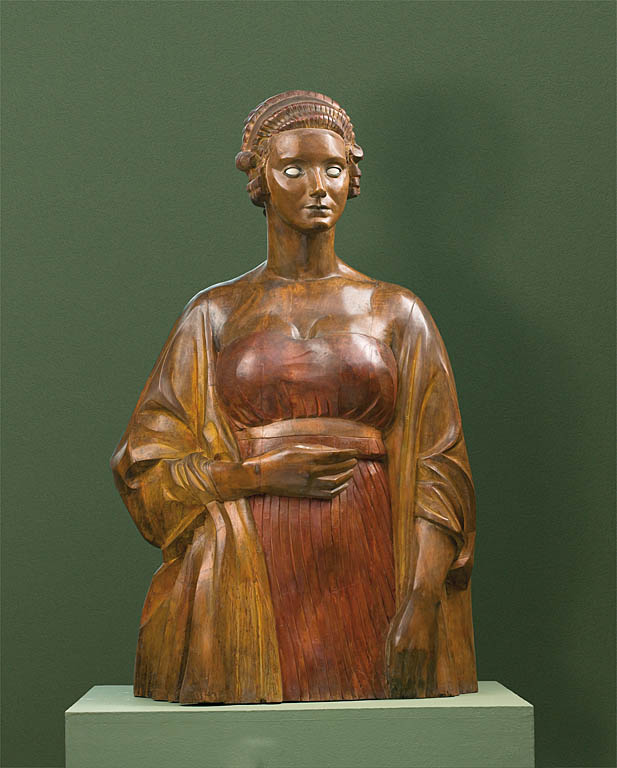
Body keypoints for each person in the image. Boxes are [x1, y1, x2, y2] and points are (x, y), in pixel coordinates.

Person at [111, 91, 477, 704]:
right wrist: (255, 475)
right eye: (294, 169)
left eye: (333, 169)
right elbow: (145, 463)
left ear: (352, 178)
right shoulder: (215, 314)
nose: (318, 187)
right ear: (260, 181)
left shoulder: (396, 311)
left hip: (371, 554)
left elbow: (441, 469)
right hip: (244, 565)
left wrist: (419, 602)